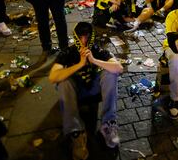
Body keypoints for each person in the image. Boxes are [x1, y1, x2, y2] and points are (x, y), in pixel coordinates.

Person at [49, 22, 123, 160]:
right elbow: (53, 77)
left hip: (93, 88)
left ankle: (108, 125)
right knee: (63, 82)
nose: (83, 42)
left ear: (91, 37)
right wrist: (79, 64)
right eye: (80, 37)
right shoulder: (68, 52)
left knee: (111, 74)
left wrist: (94, 60)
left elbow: (119, 68)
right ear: (76, 37)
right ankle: (76, 133)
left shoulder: (97, 50)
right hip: (76, 90)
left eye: (87, 37)